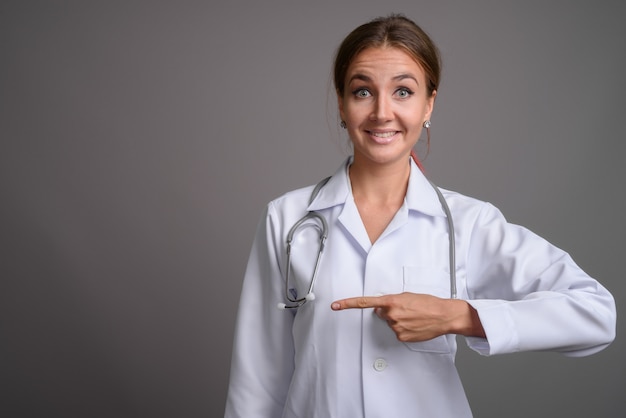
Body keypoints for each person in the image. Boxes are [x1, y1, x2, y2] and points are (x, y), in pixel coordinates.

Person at [224, 14, 616, 418]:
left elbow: (596, 314)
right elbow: (257, 382)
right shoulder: (287, 219)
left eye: (403, 92)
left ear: (429, 103)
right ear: (341, 103)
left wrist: (461, 316)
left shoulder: (468, 224)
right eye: (362, 91)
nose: (382, 112)